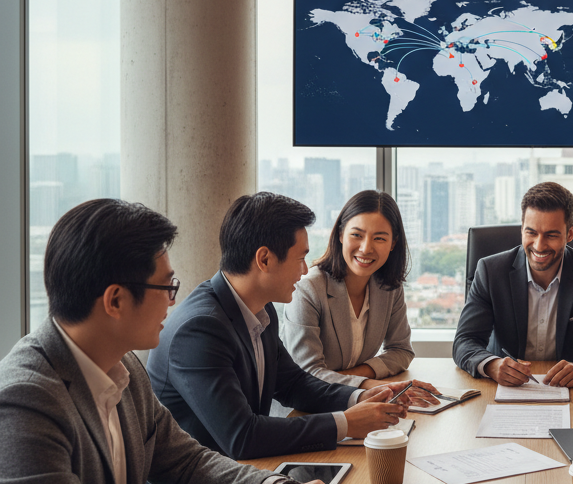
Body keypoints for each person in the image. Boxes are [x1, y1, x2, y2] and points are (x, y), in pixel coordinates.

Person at [0, 200, 348, 484]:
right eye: (167, 286)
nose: (174, 300)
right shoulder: (25, 402)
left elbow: (186, 460)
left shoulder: (123, 365)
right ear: (115, 300)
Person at [148, 193, 436, 459]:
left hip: (246, 469)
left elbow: (293, 384)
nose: (304, 269)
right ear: (264, 259)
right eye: (300, 258)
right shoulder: (200, 329)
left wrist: (360, 396)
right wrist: (346, 423)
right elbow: (242, 437)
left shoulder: (261, 311)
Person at [453, 181, 573, 386]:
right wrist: (492, 365)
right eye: (531, 232)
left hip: (570, 390)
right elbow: (464, 342)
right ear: (522, 229)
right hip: (505, 389)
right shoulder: (490, 272)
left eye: (551, 235)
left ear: (570, 233)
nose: (539, 245)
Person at [282, 190, 414, 388]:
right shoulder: (308, 289)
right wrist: (368, 385)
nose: (366, 248)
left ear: (393, 243)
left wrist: (353, 376)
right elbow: (307, 374)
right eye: (357, 235)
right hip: (303, 412)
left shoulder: (389, 287)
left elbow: (401, 351)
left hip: (353, 402)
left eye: (379, 238)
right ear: (341, 234)